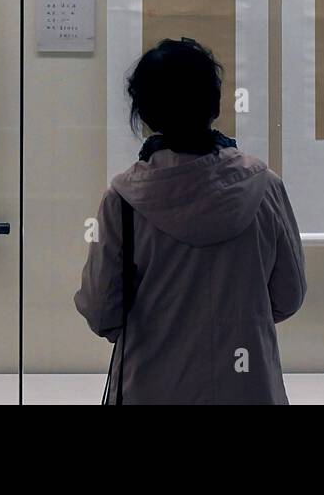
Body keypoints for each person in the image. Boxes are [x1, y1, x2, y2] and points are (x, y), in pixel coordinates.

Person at [75, 38, 307, 404]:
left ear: (145, 115)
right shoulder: (266, 188)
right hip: (248, 388)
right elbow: (288, 296)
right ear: (215, 103)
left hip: (150, 387)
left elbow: (101, 311)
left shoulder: (123, 201)